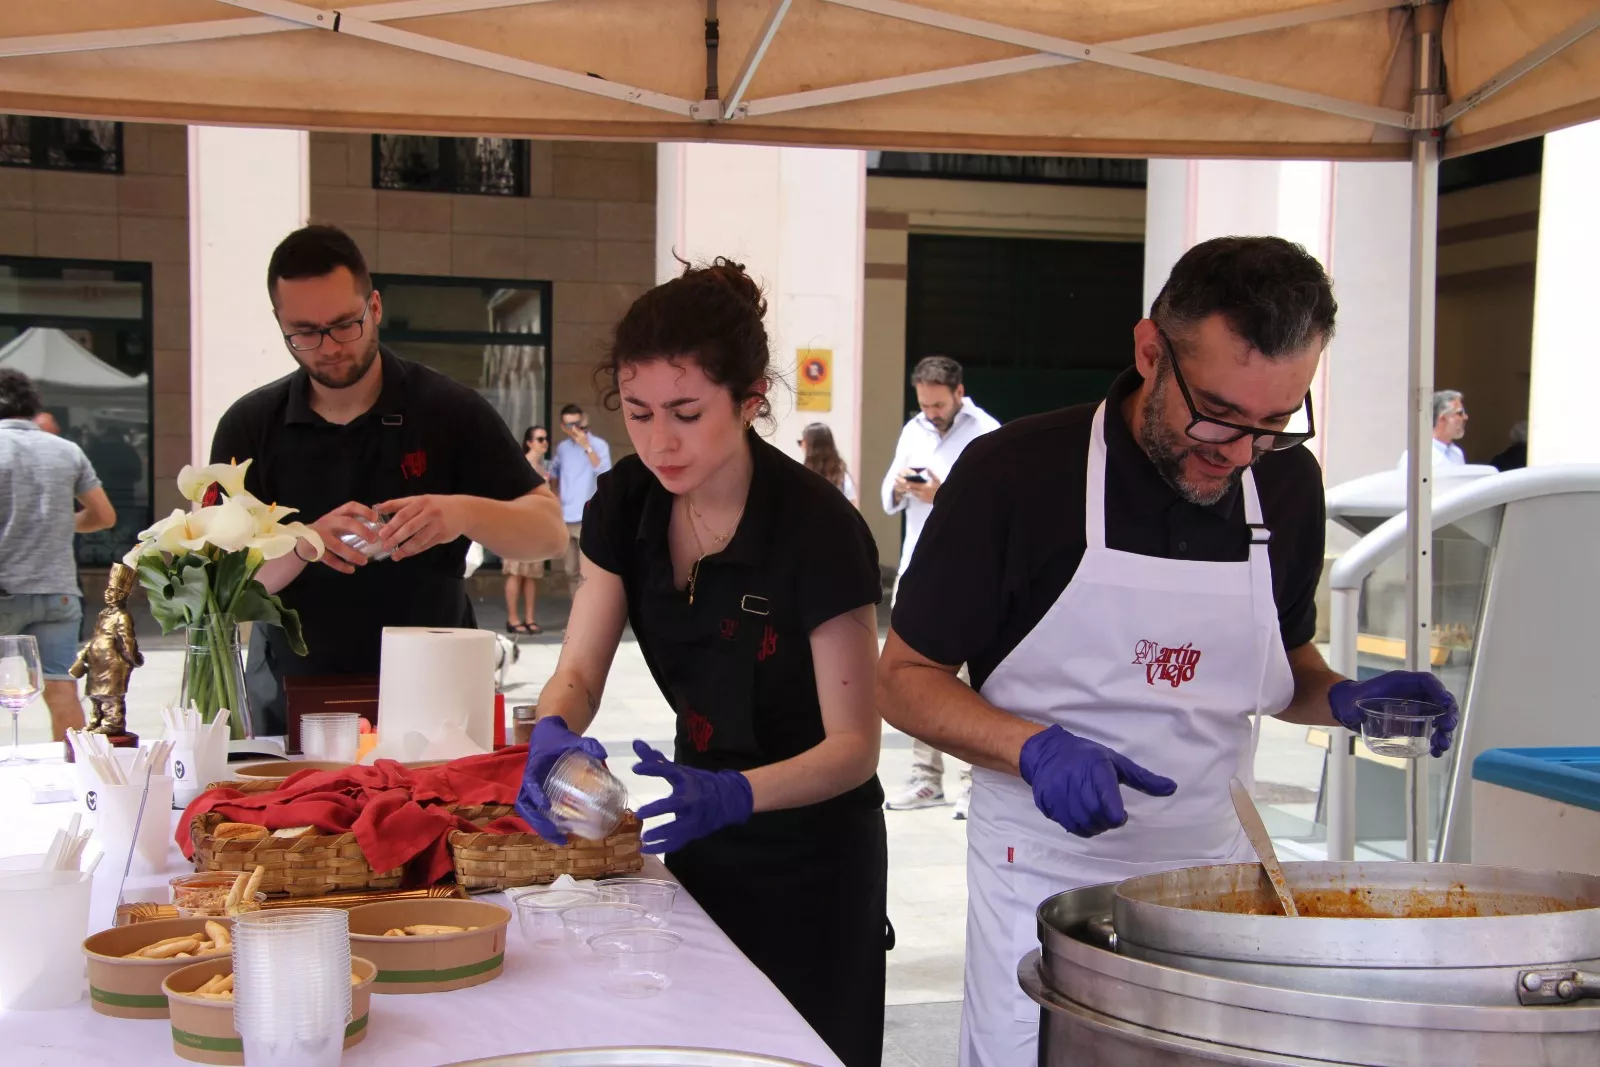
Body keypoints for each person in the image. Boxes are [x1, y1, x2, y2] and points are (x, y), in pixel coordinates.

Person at [875, 236, 1461, 1067]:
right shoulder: (1016, 475)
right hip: (1043, 873)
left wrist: (1344, 700)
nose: (1238, 450)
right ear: (1150, 351)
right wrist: (1031, 746)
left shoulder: (1285, 486)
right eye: (1218, 414)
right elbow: (903, 678)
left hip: (1214, 878)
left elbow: (1285, 671)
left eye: (1272, 423)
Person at [515, 259, 888, 1067]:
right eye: (640, 412)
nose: (660, 440)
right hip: (697, 831)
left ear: (751, 399)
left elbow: (854, 745)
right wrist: (550, 733)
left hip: (811, 858)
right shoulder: (626, 504)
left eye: (687, 412)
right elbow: (579, 670)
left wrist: (742, 791)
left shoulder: (815, 528)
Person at [210, 225, 567, 729]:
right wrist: (303, 544)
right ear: (279, 323)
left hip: (437, 690)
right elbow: (220, 592)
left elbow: (549, 533)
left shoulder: (448, 410)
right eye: (305, 332)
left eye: (344, 324)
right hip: (295, 691)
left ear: (374, 307)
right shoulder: (250, 426)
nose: (329, 346)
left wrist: (461, 511)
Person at [880, 355, 999, 818]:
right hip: (918, 569)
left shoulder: (987, 431)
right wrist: (899, 488)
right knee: (915, 677)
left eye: (937, 404)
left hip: (971, 573)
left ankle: (973, 783)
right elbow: (887, 499)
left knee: (969, 682)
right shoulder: (914, 430)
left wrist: (941, 494)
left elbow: (997, 508)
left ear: (958, 392)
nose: (930, 412)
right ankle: (926, 779)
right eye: (924, 404)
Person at [0, 369, 117, 739]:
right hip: (57, 590)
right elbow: (104, 516)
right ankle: (76, 776)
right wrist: (60, 523)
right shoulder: (66, 450)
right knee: (60, 688)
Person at [546, 402, 611, 593]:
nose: (573, 429)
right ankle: (577, 616)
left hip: (588, 517)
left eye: (576, 423)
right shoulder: (563, 448)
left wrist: (587, 447)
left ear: (582, 420)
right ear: (562, 427)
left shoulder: (599, 445)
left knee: (589, 571)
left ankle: (590, 618)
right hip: (565, 516)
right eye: (568, 425)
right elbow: (554, 472)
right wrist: (555, 494)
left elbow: (605, 474)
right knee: (570, 570)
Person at [502, 425, 552, 635]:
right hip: (517, 524)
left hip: (537, 525)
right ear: (529, 442)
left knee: (531, 575)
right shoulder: (521, 464)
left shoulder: (543, 465)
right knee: (515, 573)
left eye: (545, 439)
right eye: (539, 439)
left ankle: (530, 618)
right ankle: (513, 619)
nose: (544, 443)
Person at [1398, 389, 1468, 467]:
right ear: (1442, 418)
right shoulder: (1416, 456)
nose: (1465, 417)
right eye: (1459, 413)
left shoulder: (1457, 453)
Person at [799, 422, 857, 503]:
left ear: (807, 446)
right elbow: (852, 508)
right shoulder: (843, 478)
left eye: (802, 443)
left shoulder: (800, 477)